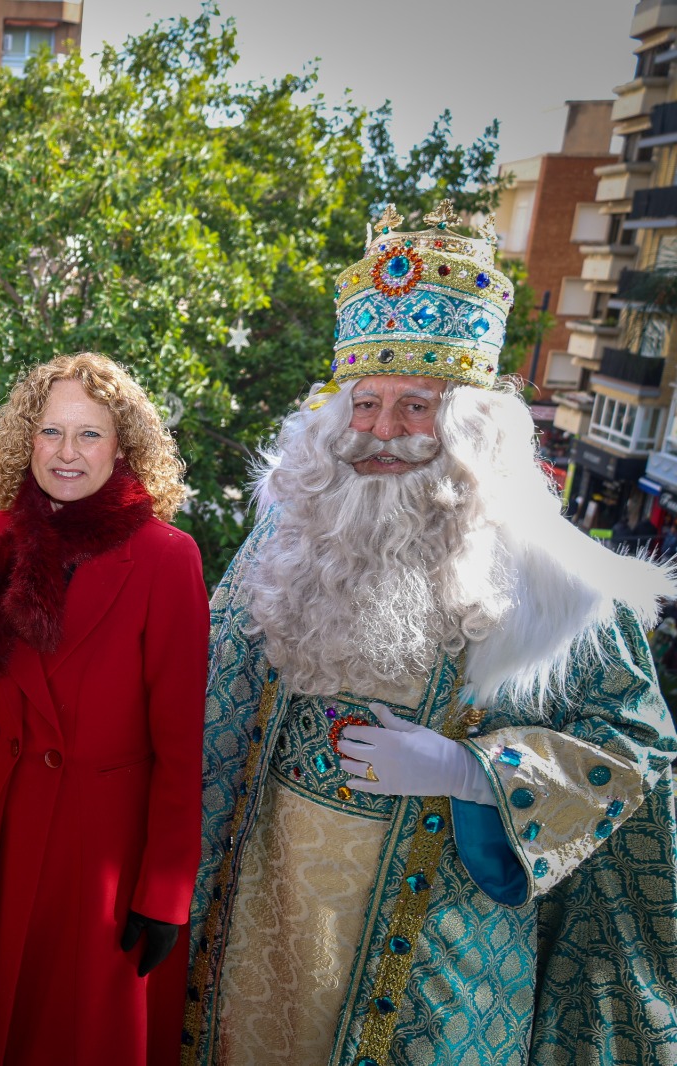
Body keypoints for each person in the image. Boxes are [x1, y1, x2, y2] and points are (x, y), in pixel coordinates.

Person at [184, 202, 677, 1065]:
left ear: (471, 423)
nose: (380, 433)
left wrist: (477, 772)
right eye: (365, 403)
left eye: (416, 406)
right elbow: (208, 700)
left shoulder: (555, 575)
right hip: (262, 901)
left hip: (434, 945)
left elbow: (637, 747)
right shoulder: (286, 532)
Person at [0, 354, 208, 1066]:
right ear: (26, 441)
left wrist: (165, 890)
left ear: (123, 447)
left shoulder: (166, 556)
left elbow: (181, 748)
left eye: (89, 435)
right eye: (51, 432)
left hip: (97, 854)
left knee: (73, 1036)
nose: (66, 453)